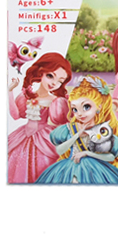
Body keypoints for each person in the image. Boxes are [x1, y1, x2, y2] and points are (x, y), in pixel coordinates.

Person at [36, 75, 118, 184]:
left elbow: (111, 157)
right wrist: (77, 135)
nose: (80, 114)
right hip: (70, 168)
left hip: (96, 171)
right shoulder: (69, 129)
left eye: (86, 107)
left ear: (99, 106)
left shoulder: (103, 130)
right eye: (75, 109)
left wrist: (88, 153)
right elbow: (59, 150)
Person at [7, 52, 72, 183]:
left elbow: (62, 123)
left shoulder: (56, 101)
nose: (54, 83)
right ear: (41, 72)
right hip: (23, 136)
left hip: (44, 139)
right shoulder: (26, 96)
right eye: (50, 76)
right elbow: (16, 116)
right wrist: (9, 92)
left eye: (60, 81)